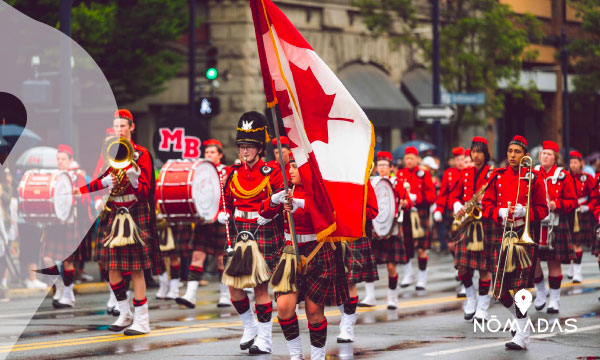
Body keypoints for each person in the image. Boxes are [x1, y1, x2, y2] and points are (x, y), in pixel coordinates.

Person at [78, 109, 163, 335]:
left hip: (134, 213)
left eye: (123, 126)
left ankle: (142, 320)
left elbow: (146, 192)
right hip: (114, 213)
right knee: (111, 267)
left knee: (137, 269)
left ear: (131, 127)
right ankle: (125, 313)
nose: (119, 130)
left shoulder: (141, 154)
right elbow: (99, 182)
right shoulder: (109, 153)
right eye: (116, 126)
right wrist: (83, 190)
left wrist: (135, 180)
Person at [269, 152, 348, 360]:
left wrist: (301, 203)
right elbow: (264, 214)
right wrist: (273, 201)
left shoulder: (320, 190)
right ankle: (296, 355)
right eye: (291, 166)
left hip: (317, 251)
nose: (291, 170)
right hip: (290, 251)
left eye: (296, 166)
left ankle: (318, 355)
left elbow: (331, 212)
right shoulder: (286, 189)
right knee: (284, 308)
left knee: (314, 312)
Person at [217, 111, 284, 354]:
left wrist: (270, 209)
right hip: (239, 231)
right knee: (233, 286)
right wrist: (221, 212)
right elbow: (226, 199)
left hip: (262, 230)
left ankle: (265, 340)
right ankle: (249, 326)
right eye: (241, 146)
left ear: (259, 148)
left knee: (259, 288)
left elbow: (280, 201)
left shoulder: (272, 171)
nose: (244, 152)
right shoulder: (233, 173)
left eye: (249, 147)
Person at [482, 135, 548, 350]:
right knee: (500, 291)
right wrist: (499, 211)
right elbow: (485, 206)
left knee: (520, 287)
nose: (512, 155)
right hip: (502, 234)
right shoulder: (497, 176)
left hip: (524, 236)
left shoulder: (534, 177)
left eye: (517, 152)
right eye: (510, 151)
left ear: (525, 155)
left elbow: (543, 209)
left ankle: (522, 335)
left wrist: (526, 211)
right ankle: (522, 322)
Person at [176, 139, 232, 308]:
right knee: (197, 256)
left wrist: (226, 211)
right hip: (204, 219)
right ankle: (190, 295)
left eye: (212, 152)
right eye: (207, 153)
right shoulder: (200, 171)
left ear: (220, 155)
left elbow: (231, 194)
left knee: (221, 260)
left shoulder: (227, 171)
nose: (209, 155)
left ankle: (225, 295)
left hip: (221, 219)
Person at [448, 137, 494, 322]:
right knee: (462, 267)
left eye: (479, 152)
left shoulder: (492, 173)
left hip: (485, 224)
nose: (475, 155)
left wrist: (486, 203)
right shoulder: (465, 173)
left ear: (485, 154)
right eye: (473, 152)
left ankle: (483, 307)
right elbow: (453, 195)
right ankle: (471, 298)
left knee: (484, 268)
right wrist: (457, 205)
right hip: (466, 224)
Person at [532, 141, 577, 314]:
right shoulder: (533, 173)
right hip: (536, 222)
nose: (545, 156)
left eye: (549, 154)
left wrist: (556, 204)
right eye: (543, 153)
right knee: (533, 261)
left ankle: (555, 300)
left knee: (553, 261)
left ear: (555, 158)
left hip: (555, 222)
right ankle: (541, 291)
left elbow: (572, 201)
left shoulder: (564, 175)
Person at [365, 151, 411, 309]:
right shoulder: (371, 182)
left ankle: (392, 298)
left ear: (391, 167)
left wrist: (405, 203)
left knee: (391, 266)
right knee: (369, 265)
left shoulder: (397, 183)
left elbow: (408, 202)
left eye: (385, 165)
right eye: (380, 165)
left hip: (391, 229)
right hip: (374, 229)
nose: (382, 168)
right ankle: (370, 297)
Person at [338, 175, 380, 344]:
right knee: (336, 282)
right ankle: (346, 317)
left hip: (355, 233)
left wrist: (353, 210)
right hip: (333, 233)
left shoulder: (362, 179)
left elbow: (373, 211)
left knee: (350, 282)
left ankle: (347, 327)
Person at [396, 146, 436, 290]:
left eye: (412, 158)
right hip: (405, 214)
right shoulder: (400, 174)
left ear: (417, 159)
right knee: (405, 247)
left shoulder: (423, 174)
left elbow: (431, 196)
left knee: (421, 248)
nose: (409, 160)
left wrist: (415, 198)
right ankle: (408, 274)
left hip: (420, 214)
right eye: (407, 158)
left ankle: (422, 278)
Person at [433, 147, 465, 277]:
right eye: (457, 159)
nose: (459, 162)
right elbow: (443, 194)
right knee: (451, 245)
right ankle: (458, 265)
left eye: (462, 159)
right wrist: (438, 209)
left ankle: (463, 269)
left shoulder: (470, 172)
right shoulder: (449, 173)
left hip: (468, 213)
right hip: (452, 213)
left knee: (464, 245)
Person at [567, 150, 594, 283]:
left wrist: (588, 206)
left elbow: (594, 195)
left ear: (581, 163)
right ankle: (572, 268)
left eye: (575, 162)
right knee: (571, 242)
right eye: (571, 162)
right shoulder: (565, 177)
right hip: (568, 211)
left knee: (577, 242)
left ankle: (577, 272)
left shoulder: (587, 178)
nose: (573, 165)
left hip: (581, 213)